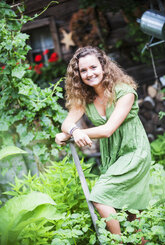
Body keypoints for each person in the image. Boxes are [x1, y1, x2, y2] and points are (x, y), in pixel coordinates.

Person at [55, 46, 151, 235]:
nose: (89, 73)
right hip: (112, 156)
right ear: (78, 74)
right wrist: (73, 131)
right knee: (133, 215)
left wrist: (77, 133)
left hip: (133, 153)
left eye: (93, 67)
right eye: (83, 70)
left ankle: (118, 244)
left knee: (99, 196)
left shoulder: (125, 92)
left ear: (104, 66)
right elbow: (67, 122)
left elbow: (108, 130)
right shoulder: (86, 97)